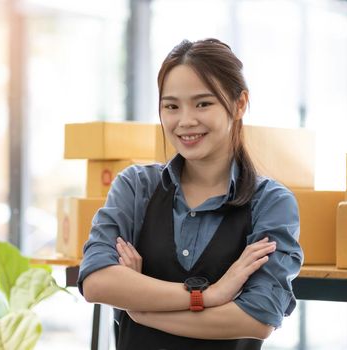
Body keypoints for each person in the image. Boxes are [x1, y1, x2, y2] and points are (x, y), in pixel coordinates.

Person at [78, 38, 303, 350]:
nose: (185, 121)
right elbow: (97, 281)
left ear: (239, 104)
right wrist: (209, 296)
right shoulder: (136, 186)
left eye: (203, 104)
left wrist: (141, 309)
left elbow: (257, 318)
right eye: (171, 106)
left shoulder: (270, 203)